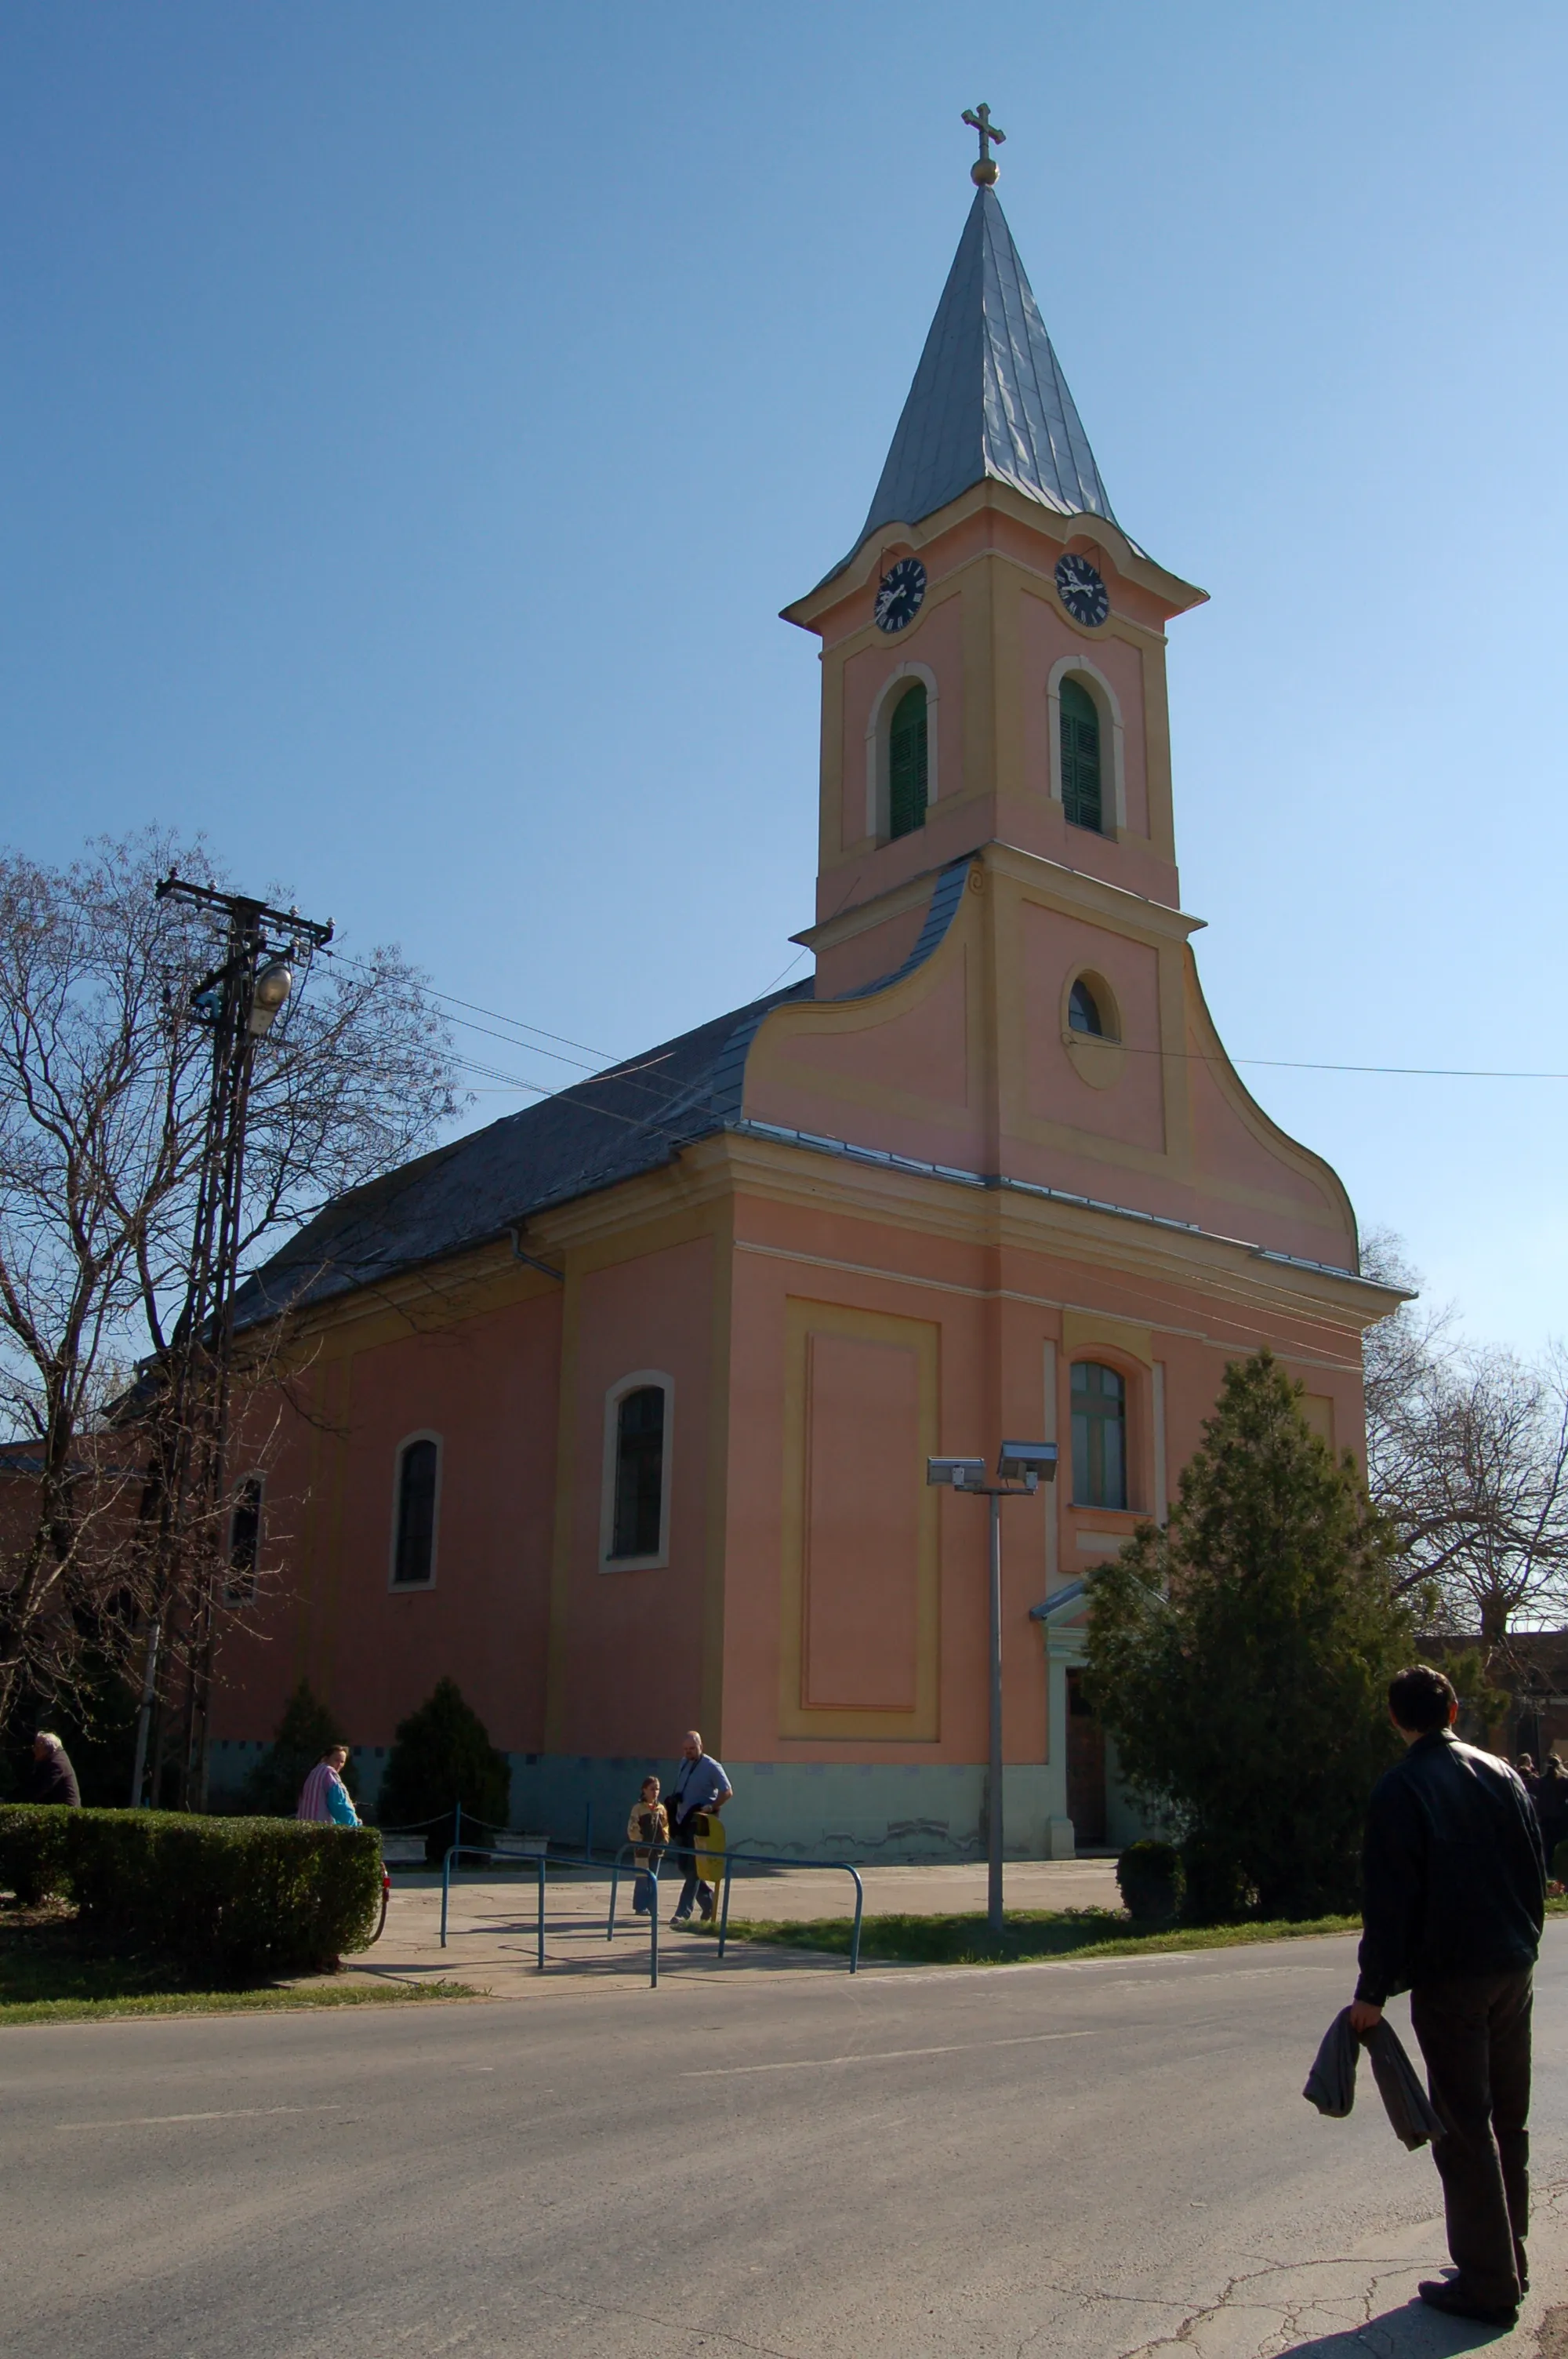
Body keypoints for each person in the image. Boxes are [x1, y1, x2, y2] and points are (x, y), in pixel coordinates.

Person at [1350, 1664, 1545, 2326]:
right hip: (1512, 1966)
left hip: (1451, 1975)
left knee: (1462, 2127)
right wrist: (1525, 1944)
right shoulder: (1504, 1773)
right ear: (1454, 1710)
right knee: (1506, 2118)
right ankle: (1508, 2253)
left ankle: (1488, 2283)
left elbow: (1391, 1901)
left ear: (1394, 1718)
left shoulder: (1400, 1788)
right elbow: (1533, 1869)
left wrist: (1371, 1991)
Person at [666, 1728, 732, 1928]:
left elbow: (727, 1791)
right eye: (686, 1749)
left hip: (699, 1822)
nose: (688, 1752)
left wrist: (712, 1806)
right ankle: (709, 1902)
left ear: (700, 1746)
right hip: (682, 1820)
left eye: (692, 1749)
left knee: (694, 1868)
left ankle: (682, 1913)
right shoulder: (684, 1763)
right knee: (683, 1866)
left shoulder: (712, 1766)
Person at [626, 1775, 668, 1916]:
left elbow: (666, 1826)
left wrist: (665, 1840)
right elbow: (633, 1826)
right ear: (644, 1790)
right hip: (642, 1849)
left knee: (653, 1878)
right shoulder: (638, 1808)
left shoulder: (661, 1809)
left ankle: (652, 1906)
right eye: (652, 1789)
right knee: (642, 1878)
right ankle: (640, 1906)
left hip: (657, 1849)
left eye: (657, 1789)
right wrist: (639, 1841)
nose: (655, 1792)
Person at [296, 1745, 360, 1827]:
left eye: (342, 1762)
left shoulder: (313, 1772)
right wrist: (355, 1825)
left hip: (303, 1827)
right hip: (321, 1830)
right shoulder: (329, 1772)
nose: (339, 1765)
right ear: (326, 1758)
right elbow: (339, 1804)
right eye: (336, 1760)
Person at [27, 1732, 81, 1807]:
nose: (34, 1750)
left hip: (66, 1812)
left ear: (47, 1749)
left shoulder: (56, 1764)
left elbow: (40, 1789)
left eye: (37, 1747)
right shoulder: (54, 1759)